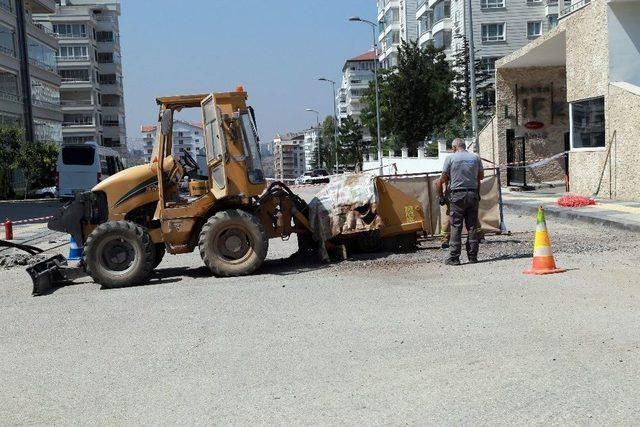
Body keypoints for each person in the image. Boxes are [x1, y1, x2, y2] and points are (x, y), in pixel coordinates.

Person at [437, 138, 484, 265]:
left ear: (454, 147)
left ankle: (454, 258)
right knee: (472, 226)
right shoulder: (476, 158)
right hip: (473, 194)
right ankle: (473, 257)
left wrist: (441, 195)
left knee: (456, 226)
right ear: (464, 145)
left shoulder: (450, 159)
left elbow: (443, 179)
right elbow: (481, 177)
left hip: (457, 196)